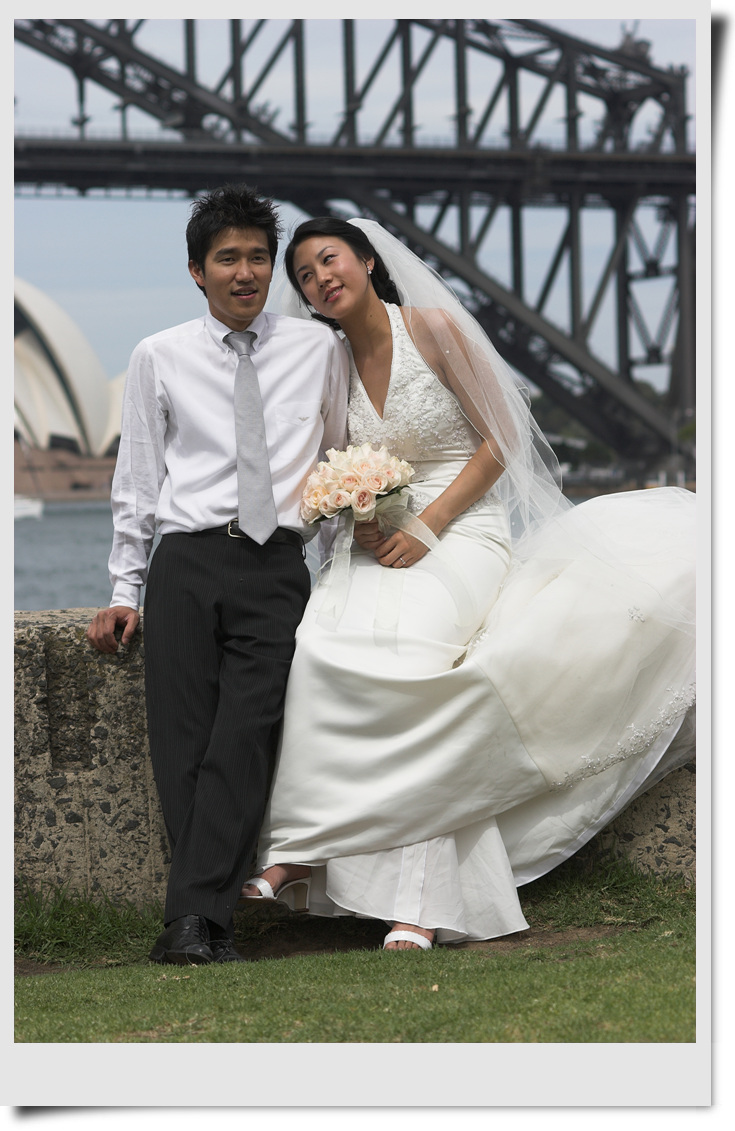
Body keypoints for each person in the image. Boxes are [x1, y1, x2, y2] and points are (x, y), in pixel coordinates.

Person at [239, 216, 696, 951]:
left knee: (413, 670)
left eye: (329, 260)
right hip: (378, 541)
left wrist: (429, 525)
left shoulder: (434, 328)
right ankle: (302, 844)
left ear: (367, 260)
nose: (320, 279)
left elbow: (501, 437)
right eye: (305, 276)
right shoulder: (331, 363)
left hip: (462, 529)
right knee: (319, 650)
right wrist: (359, 515)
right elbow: (332, 466)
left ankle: (407, 898)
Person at [86, 187, 349, 964]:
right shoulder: (157, 355)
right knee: (182, 744)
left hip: (275, 565)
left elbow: (335, 466)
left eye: (258, 257)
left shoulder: (318, 350)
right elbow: (137, 483)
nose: (245, 272)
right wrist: (123, 590)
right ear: (197, 271)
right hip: (185, 562)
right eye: (227, 258)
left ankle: (190, 920)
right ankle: (204, 923)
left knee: (246, 735)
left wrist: (338, 574)